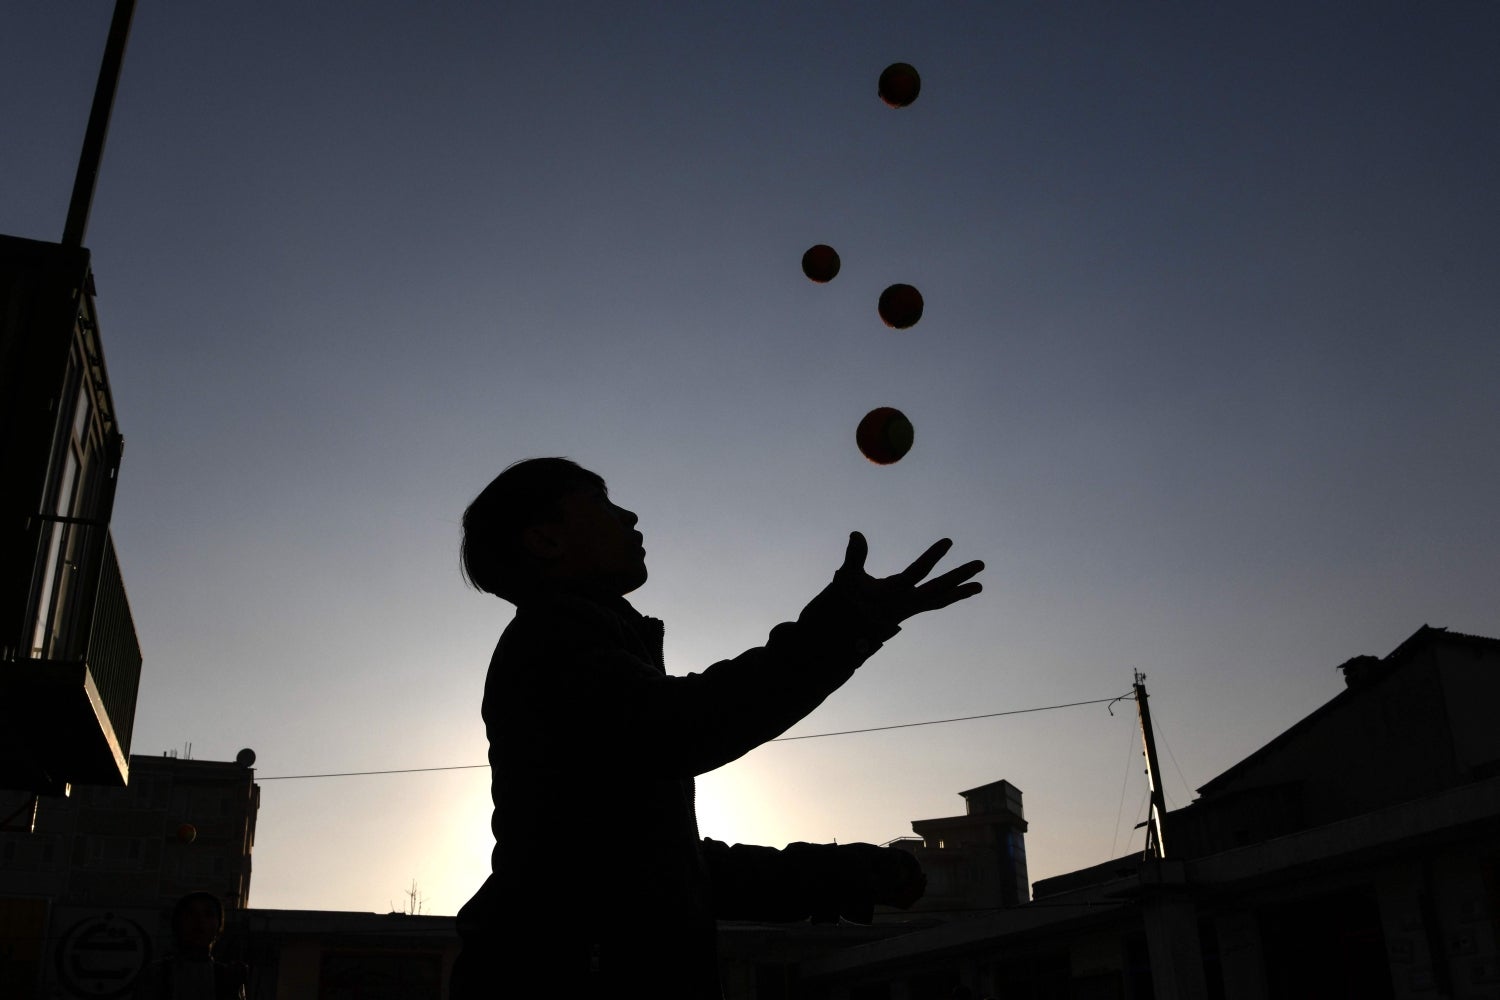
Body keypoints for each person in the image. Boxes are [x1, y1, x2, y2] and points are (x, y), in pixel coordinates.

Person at [450, 458, 984, 999]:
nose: (630, 515)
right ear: (546, 540)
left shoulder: (582, 644)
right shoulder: (552, 639)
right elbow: (684, 726)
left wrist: (847, 872)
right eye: (601, 502)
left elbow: (673, 871)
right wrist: (845, 627)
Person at [131, 892, 245, 1000]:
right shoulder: (155, 974)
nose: (200, 920)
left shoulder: (226, 977)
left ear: (218, 926)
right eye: (191, 914)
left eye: (208, 914)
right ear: (178, 923)